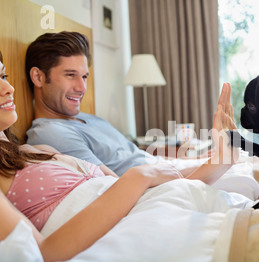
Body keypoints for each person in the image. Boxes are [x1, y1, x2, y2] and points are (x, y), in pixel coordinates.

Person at [0, 36, 238, 262]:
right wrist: (139, 176)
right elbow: (40, 255)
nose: (8, 88)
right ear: (38, 77)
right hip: (144, 235)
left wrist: (220, 161)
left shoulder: (40, 150)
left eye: (4, 76)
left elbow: (127, 194)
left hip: (157, 210)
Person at [25, 31, 173, 177]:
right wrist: (186, 173)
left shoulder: (90, 119)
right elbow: (114, 186)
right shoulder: (51, 134)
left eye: (84, 77)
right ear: (38, 77)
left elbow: (139, 158)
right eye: (70, 75)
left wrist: (187, 164)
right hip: (156, 183)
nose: (82, 88)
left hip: (165, 169)